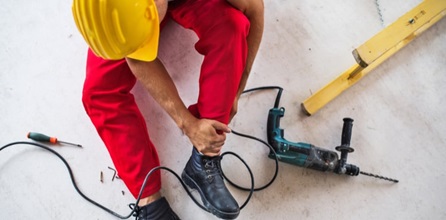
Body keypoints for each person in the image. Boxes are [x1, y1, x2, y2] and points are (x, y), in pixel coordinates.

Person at [72, 0, 264, 219]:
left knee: (231, 25)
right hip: (129, 10)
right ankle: (150, 204)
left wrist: (238, 88)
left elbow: (255, 9)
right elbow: (135, 57)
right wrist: (188, 123)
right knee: (99, 92)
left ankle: (205, 158)